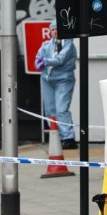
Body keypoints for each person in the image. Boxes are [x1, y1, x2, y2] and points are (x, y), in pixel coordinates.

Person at [34, 21, 77, 149]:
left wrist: (45, 61)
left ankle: (68, 138)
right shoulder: (46, 45)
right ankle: (56, 136)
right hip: (47, 79)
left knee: (61, 109)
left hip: (64, 79)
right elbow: (38, 58)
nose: (55, 32)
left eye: (57, 29)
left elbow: (60, 59)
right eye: (53, 30)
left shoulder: (68, 44)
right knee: (50, 110)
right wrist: (39, 63)